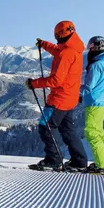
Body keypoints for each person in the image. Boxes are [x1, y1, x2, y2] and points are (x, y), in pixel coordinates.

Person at [25, 20, 88, 171]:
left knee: (45, 126)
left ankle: (53, 159)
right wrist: (44, 45)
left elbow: (56, 80)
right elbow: (58, 51)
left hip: (59, 99)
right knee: (68, 131)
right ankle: (79, 161)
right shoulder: (74, 49)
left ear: (59, 35)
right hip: (70, 98)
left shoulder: (66, 53)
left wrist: (34, 83)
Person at [80, 36, 104, 173]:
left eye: (90, 48)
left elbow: (89, 86)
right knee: (99, 132)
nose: (89, 52)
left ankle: (103, 164)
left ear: (95, 48)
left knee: (91, 132)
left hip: (94, 102)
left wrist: (75, 92)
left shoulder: (96, 65)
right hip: (102, 101)